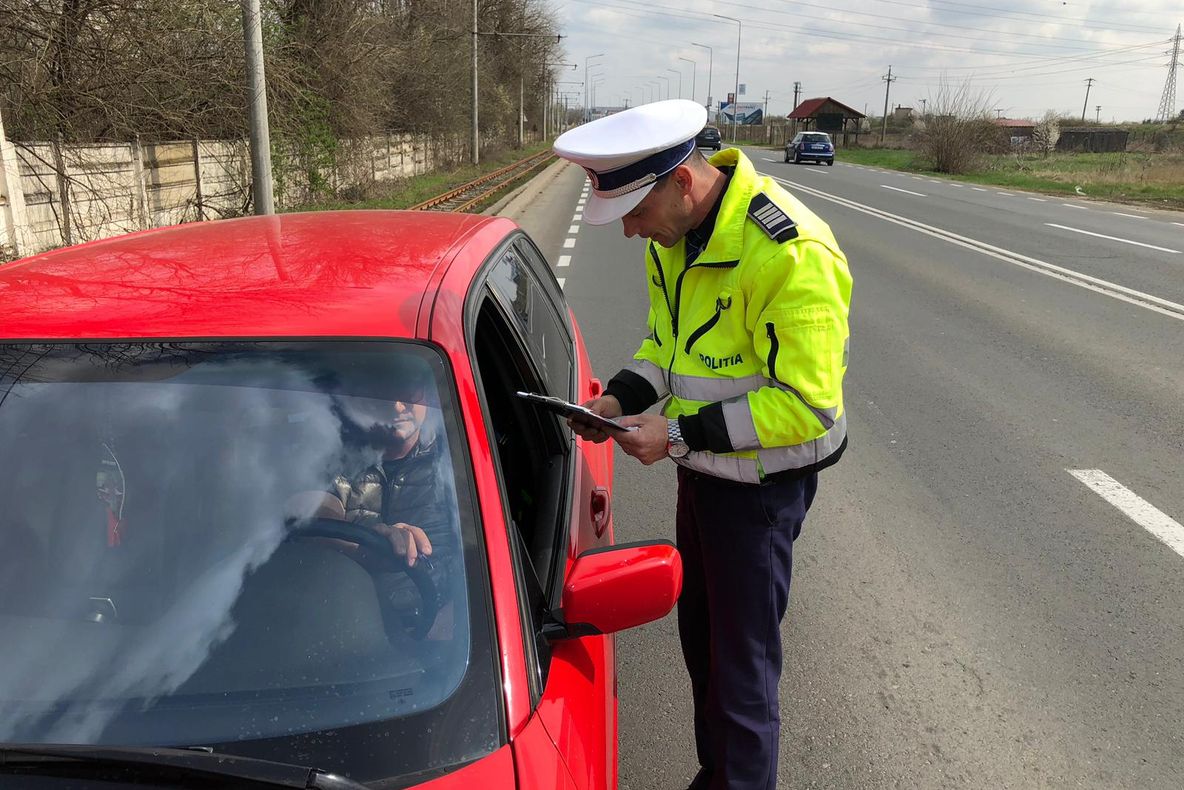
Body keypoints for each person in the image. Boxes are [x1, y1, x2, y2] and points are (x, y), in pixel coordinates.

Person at [553, 100, 852, 790]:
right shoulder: (677, 237)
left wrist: (678, 435)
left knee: (741, 670)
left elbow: (806, 406)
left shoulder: (789, 253)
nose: (629, 232)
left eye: (633, 213)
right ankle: (718, 774)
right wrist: (617, 402)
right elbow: (667, 345)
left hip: (762, 494)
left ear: (681, 184)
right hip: (703, 471)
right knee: (703, 647)